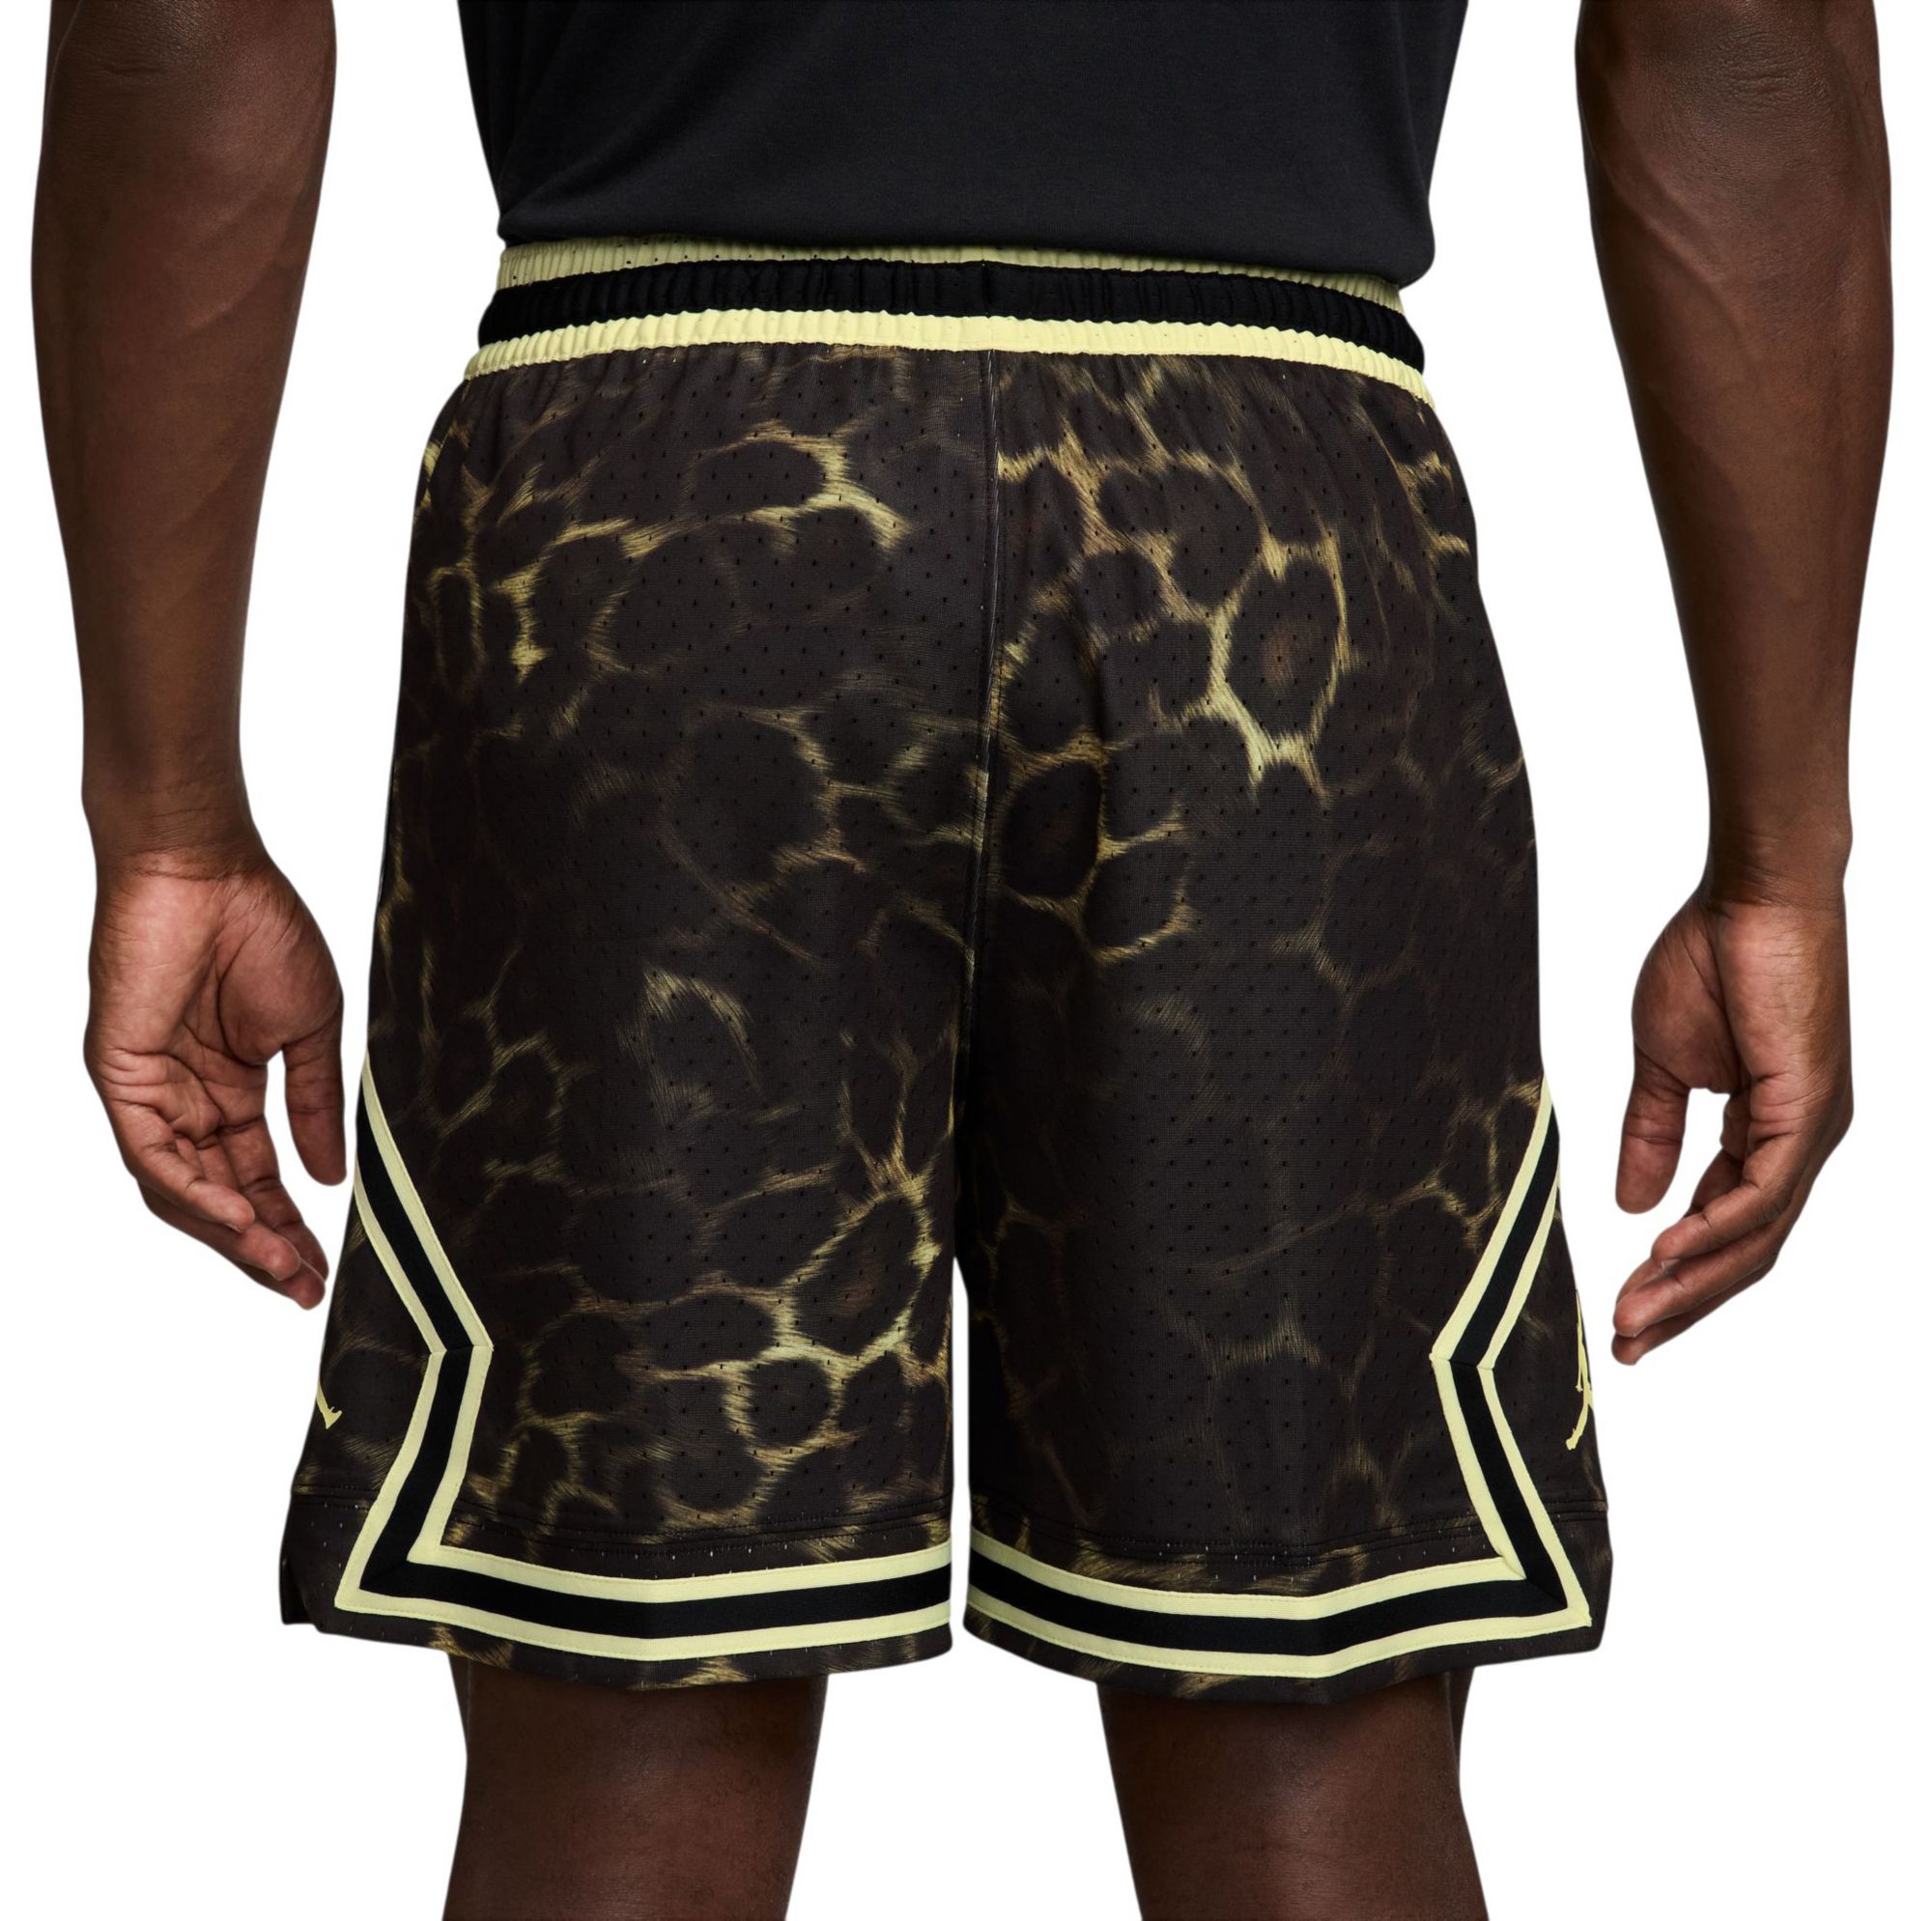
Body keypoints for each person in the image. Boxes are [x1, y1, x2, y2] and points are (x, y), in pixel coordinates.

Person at [35, 2, 1887, 1915]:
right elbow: (1735, 41)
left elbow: (191, 27)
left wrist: (167, 816)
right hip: (1258, 539)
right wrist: (1779, 855)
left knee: (626, 1716)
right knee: (1304, 1717)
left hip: (675, 525)